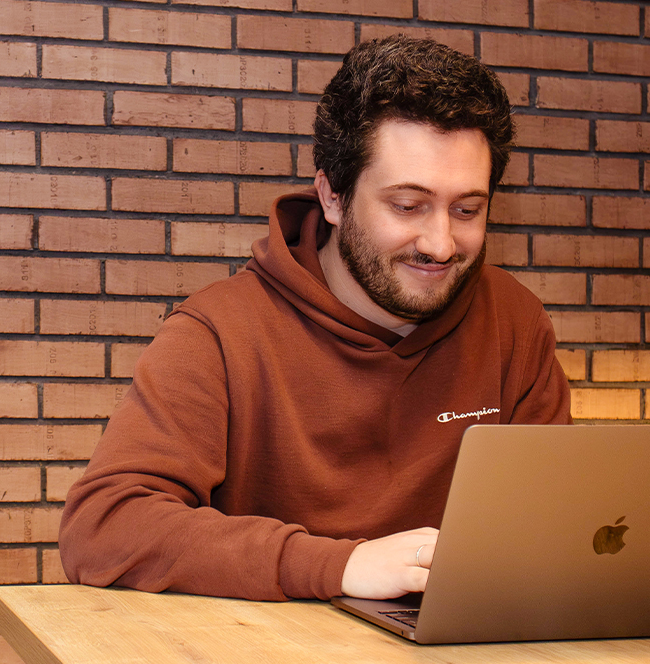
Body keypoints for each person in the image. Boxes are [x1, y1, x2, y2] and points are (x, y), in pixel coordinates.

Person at [58, 36, 572, 603]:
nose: (442, 243)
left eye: (467, 209)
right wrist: (339, 565)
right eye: (407, 206)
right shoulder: (220, 332)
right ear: (331, 195)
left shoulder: (514, 322)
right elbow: (103, 528)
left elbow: (552, 525)